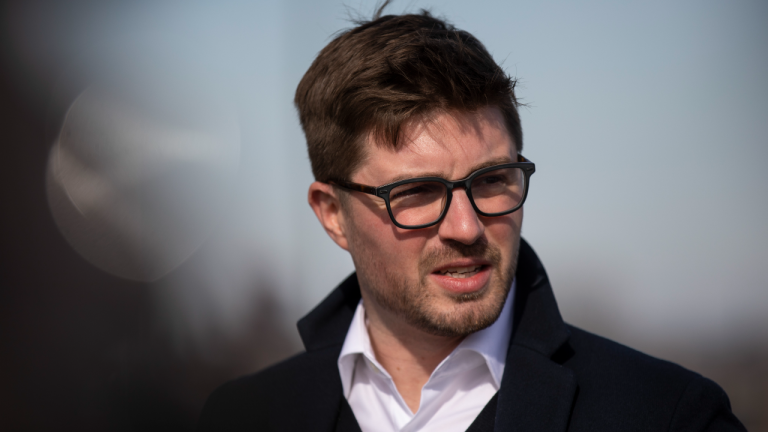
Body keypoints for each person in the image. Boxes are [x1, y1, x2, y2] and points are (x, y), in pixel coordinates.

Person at [198, 6, 745, 432]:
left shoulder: (667, 415)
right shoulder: (242, 416)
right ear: (332, 214)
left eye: (490, 181)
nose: (466, 227)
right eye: (416, 192)